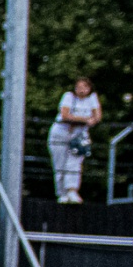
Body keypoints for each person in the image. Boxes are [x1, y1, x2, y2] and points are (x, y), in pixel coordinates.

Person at [48, 76, 101, 204]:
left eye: (84, 87)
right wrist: (85, 119)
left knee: (74, 163)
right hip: (61, 133)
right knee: (60, 163)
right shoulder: (69, 97)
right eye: (79, 87)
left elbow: (97, 116)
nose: (81, 90)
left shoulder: (92, 99)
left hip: (79, 134)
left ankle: (72, 190)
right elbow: (65, 115)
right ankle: (62, 193)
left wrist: (91, 120)